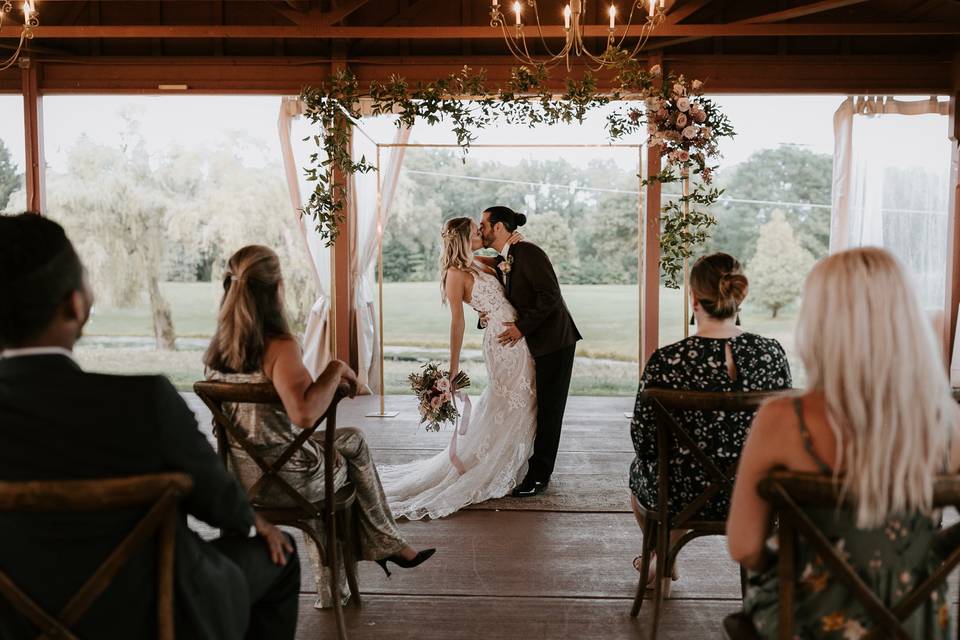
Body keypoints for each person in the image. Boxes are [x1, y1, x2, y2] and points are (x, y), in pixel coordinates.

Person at [0, 213, 299, 640]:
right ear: (75, 303)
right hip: (153, 615)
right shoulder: (145, 404)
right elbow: (220, 506)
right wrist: (252, 520)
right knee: (281, 559)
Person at [727, 247, 960, 638]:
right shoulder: (945, 422)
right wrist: (929, 552)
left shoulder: (782, 420)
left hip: (804, 619)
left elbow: (744, 547)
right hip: (913, 621)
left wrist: (798, 563)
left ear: (820, 323)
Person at [204, 244, 433, 608]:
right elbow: (305, 415)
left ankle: (382, 550)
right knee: (337, 469)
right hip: (287, 475)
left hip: (236, 475)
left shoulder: (217, 348)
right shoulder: (279, 347)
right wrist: (337, 367)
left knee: (348, 444)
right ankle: (379, 549)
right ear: (276, 289)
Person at [630, 252, 791, 592]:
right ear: (738, 295)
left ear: (693, 298)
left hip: (678, 494)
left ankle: (661, 561)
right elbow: (784, 431)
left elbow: (643, 442)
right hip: (756, 491)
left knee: (640, 471)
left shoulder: (667, 361)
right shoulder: (771, 354)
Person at [378, 216, 538, 519]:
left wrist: (516, 244)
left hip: (518, 337)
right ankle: (490, 466)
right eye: (477, 232)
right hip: (501, 343)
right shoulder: (454, 274)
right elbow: (457, 322)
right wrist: (452, 373)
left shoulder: (480, 262)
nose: (482, 234)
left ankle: (515, 461)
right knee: (510, 400)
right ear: (464, 239)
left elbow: (509, 268)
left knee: (523, 400)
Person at [478, 205, 582, 498]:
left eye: (483, 224)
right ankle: (531, 466)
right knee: (538, 407)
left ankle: (540, 476)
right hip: (536, 343)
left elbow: (550, 296)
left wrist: (521, 328)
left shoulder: (529, 252)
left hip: (555, 342)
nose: (480, 230)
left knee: (550, 410)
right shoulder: (507, 258)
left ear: (499, 227)